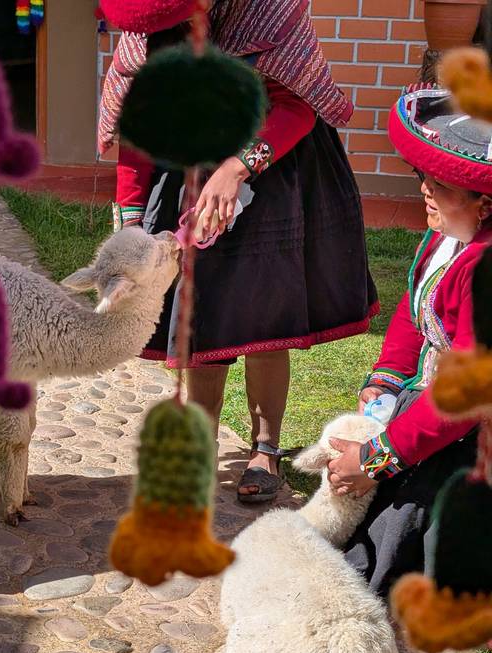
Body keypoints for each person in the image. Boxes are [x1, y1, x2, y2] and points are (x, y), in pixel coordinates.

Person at [98, 0, 377, 503]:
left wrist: (236, 168)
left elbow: (297, 106)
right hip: (187, 170)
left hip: (274, 166)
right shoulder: (147, 33)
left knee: (266, 312)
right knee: (198, 307)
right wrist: (132, 223)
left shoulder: (270, 12)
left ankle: (264, 449)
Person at [331, 86, 492, 596]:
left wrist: (378, 458)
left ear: (482, 202)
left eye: (441, 183)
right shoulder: (447, 237)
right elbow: (414, 307)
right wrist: (387, 377)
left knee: (406, 513)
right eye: (424, 175)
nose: (424, 187)